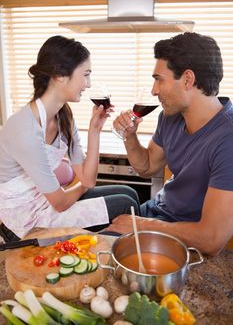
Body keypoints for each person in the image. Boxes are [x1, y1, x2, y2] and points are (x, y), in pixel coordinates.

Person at [0, 35, 140, 240]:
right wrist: (81, 186)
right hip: (24, 223)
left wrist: (95, 130)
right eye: (85, 75)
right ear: (59, 75)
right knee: (126, 205)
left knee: (130, 193)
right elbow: (61, 202)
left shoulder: (64, 115)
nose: (88, 84)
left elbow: (88, 178)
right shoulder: (24, 129)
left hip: (47, 203)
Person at [108, 32, 233, 256]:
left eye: (159, 79)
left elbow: (211, 238)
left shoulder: (228, 140)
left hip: (182, 238)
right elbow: (147, 167)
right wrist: (129, 135)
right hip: (154, 215)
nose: (154, 90)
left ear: (187, 79)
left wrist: (141, 226)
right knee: (88, 243)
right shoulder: (170, 117)